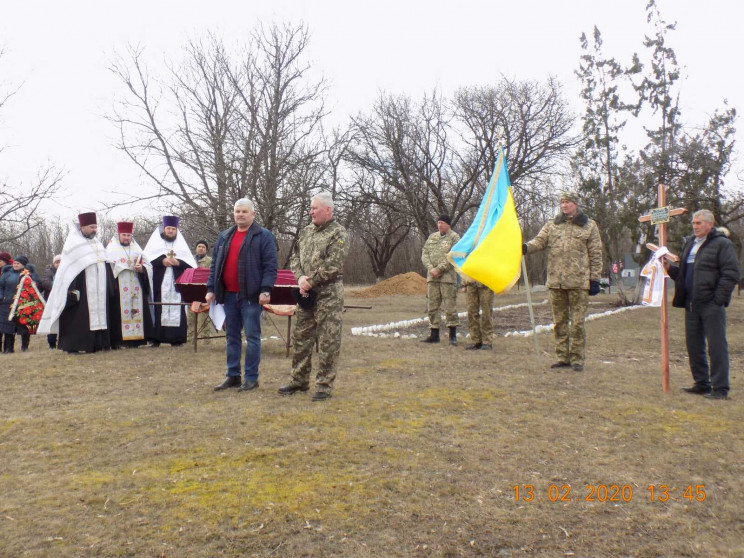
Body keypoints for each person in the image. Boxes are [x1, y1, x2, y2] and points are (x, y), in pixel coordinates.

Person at [278, 191, 349, 401]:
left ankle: (324, 386)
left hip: (328, 295)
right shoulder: (306, 231)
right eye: (310, 208)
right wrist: (300, 278)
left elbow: (334, 264)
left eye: (314, 208)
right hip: (305, 293)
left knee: (328, 341)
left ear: (328, 210)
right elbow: (295, 257)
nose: (310, 212)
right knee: (300, 338)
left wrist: (311, 280)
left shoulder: (339, 233)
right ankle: (298, 380)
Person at [664, 210, 740, 400]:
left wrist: (718, 299)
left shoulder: (722, 244)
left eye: (699, 223)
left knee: (716, 346)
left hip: (711, 304)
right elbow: (683, 273)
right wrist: (669, 269)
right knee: (694, 346)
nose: (695, 226)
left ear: (710, 224)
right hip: (691, 303)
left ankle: (720, 388)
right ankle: (701, 383)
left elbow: (731, 273)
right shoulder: (690, 243)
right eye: (693, 223)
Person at [523, 191, 603, 372]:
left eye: (568, 202)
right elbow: (539, 241)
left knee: (577, 323)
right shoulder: (552, 225)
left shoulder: (589, 226)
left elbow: (596, 253)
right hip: (556, 282)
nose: (564, 205)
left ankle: (577, 359)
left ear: (576, 204)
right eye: (562, 202)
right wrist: (526, 247)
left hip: (578, 283)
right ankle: (562, 357)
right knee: (559, 322)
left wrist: (595, 278)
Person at [206, 199, 277, 392]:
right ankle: (233, 375)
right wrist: (211, 289)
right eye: (237, 211)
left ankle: (251, 378)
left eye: (245, 211)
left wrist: (266, 289)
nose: (240, 214)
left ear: (253, 214)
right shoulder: (224, 236)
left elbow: (270, 266)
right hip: (228, 296)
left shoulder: (263, 236)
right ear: (233, 214)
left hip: (251, 297)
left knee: (252, 337)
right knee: (232, 337)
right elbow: (215, 266)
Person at [37, 212, 115, 354]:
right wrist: (70, 290)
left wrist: (110, 286)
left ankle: (97, 344)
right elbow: (68, 270)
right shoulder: (73, 244)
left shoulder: (97, 243)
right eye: (91, 227)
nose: (94, 230)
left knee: (98, 315)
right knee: (77, 318)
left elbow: (105, 264)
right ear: (83, 227)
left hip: (99, 289)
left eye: (95, 227)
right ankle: (73, 346)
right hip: (81, 289)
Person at [143, 216, 196, 347]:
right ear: (164, 229)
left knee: (177, 308)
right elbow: (146, 261)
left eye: (173, 229)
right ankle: (156, 339)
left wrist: (178, 262)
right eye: (169, 228)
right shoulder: (155, 243)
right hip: (159, 283)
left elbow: (190, 265)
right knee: (158, 307)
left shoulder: (181, 245)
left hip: (177, 283)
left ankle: (177, 339)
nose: (171, 231)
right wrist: (162, 261)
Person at [106, 221, 154, 348]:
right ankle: (119, 341)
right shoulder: (111, 249)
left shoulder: (137, 249)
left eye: (128, 235)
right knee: (118, 312)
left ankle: (137, 340)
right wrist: (120, 268)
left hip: (136, 286)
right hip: (119, 287)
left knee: (137, 310)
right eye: (124, 235)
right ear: (119, 235)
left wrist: (141, 268)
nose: (126, 238)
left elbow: (148, 266)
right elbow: (108, 267)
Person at [420, 214, 461, 345]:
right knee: (432, 306)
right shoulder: (432, 237)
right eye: (438, 223)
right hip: (432, 278)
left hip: (447, 279)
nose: (439, 225)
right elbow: (424, 253)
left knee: (450, 307)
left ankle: (452, 336)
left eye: (442, 223)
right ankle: (434, 334)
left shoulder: (454, 237)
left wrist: (440, 269)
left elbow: (454, 255)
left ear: (448, 224)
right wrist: (431, 268)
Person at [0, 256, 40, 353]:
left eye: (18, 263)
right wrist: (1, 297)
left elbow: (37, 286)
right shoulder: (7, 273)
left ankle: (24, 346)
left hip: (24, 303)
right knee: (8, 326)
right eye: (15, 263)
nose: (15, 265)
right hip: (7, 303)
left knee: (24, 325)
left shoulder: (30, 274)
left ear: (23, 265)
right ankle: (8, 349)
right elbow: (1, 286)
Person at [187, 239, 215, 342]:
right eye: (199, 246)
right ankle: (189, 338)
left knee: (204, 316)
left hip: (205, 291)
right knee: (190, 316)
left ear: (206, 249)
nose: (201, 248)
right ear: (195, 248)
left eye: (203, 247)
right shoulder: (190, 260)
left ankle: (206, 339)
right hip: (192, 290)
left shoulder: (210, 261)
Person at [463, 277, 494, 350]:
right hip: (471, 283)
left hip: (486, 284)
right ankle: (476, 341)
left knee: (486, 313)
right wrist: (464, 283)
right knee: (471, 312)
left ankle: (487, 341)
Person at [40, 254, 62, 349]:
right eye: (57, 262)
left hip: (63, 300)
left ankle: (62, 342)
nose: (59, 264)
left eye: (60, 262)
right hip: (51, 300)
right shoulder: (49, 272)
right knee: (52, 322)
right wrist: (57, 287)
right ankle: (52, 343)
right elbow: (45, 282)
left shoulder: (67, 271)